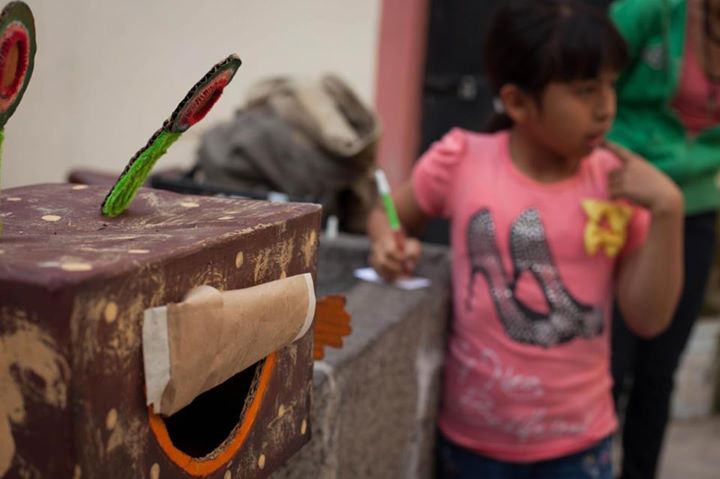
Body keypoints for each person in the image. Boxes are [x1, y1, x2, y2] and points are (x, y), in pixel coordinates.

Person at [367, 1, 684, 477]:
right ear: (517, 102)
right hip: (472, 446)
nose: (606, 108)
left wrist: (668, 211)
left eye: (610, 85)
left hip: (578, 447)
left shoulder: (619, 182)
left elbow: (648, 318)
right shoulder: (463, 160)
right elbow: (388, 214)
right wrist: (386, 243)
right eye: (585, 91)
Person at [609, 1, 720, 477]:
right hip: (622, 195)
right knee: (608, 362)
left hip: (695, 206)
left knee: (660, 368)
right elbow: (584, 83)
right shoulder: (649, 11)